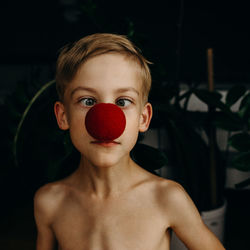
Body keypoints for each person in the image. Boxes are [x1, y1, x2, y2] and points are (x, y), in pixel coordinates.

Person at [34, 33, 225, 250]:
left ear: (143, 118)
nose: (105, 121)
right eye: (88, 101)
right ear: (63, 116)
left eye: (122, 101)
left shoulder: (167, 198)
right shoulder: (50, 202)